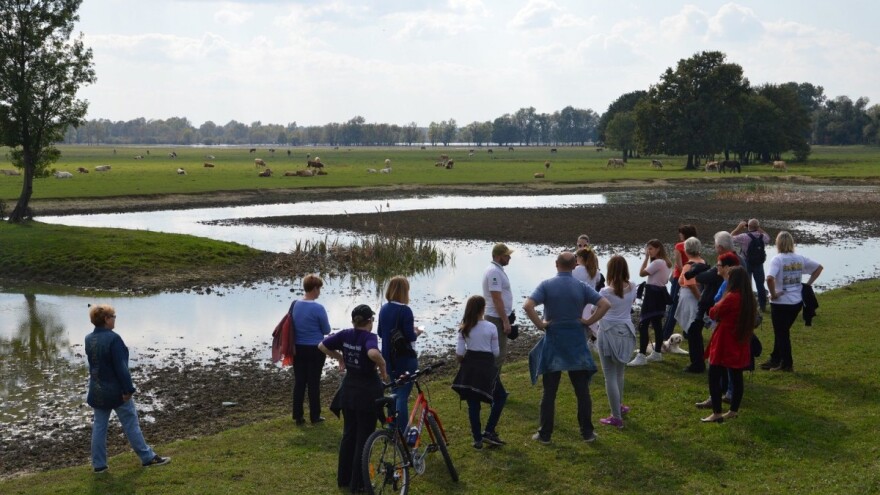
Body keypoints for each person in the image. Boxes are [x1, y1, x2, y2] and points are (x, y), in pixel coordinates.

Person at [525, 251, 611, 444]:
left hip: (554, 342)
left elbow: (528, 305)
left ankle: (545, 434)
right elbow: (605, 304)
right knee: (582, 391)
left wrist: (541, 324)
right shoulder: (581, 286)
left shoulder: (546, 285)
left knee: (549, 392)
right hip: (576, 344)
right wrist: (589, 321)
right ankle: (587, 433)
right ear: (574, 266)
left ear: (556, 264)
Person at [85, 304, 170, 473]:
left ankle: (99, 465)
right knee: (131, 423)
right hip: (116, 392)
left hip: (97, 391)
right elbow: (121, 367)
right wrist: (128, 390)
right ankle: (147, 457)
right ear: (106, 319)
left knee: (99, 427)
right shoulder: (114, 339)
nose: (115, 319)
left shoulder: (88, 339)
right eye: (113, 316)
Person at [319, 304, 388, 493]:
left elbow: (322, 345)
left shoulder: (345, 334)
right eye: (372, 320)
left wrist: (340, 358)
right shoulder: (369, 337)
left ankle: (343, 478)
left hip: (348, 391)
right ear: (369, 322)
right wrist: (383, 367)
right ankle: (358, 483)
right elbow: (373, 353)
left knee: (349, 435)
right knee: (364, 438)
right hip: (366, 393)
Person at [699, 266, 756, 423]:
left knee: (714, 374)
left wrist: (722, 298)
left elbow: (713, 312)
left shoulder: (731, 297)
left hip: (725, 339)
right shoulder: (749, 298)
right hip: (740, 339)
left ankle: (717, 412)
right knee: (736, 375)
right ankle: (733, 410)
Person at [452, 295, 507, 449]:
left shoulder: (464, 328)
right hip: (486, 367)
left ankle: (477, 440)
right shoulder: (490, 327)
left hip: (469, 368)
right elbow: (495, 352)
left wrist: (465, 362)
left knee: (473, 404)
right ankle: (489, 431)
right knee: (500, 396)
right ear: (483, 308)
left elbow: (459, 353)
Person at [763, 231, 823, 372]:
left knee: (782, 333)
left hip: (781, 303)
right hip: (796, 303)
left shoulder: (777, 260)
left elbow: (770, 278)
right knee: (782, 332)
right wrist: (807, 284)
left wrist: (773, 294)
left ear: (778, 243)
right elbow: (819, 268)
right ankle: (775, 358)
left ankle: (786, 364)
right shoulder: (799, 258)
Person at [682, 231, 737, 374]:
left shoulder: (726, 261)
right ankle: (705, 363)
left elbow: (705, 278)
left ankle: (701, 364)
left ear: (720, 247)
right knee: (697, 331)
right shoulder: (736, 259)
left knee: (696, 331)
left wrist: (696, 270)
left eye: (715, 245)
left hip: (714, 303)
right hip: (716, 301)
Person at [595, 255, 638, 428]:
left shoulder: (605, 292)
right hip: (626, 331)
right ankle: (619, 406)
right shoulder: (633, 286)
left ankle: (616, 416)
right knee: (619, 373)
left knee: (609, 375)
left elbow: (595, 309)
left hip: (608, 332)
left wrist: (587, 322)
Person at [378, 275, 423, 432]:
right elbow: (410, 336)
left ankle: (392, 426)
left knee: (394, 392)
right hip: (404, 357)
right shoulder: (405, 311)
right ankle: (403, 430)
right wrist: (417, 332)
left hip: (388, 356)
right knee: (402, 395)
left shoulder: (383, 309)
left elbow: (380, 333)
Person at [292, 274, 332, 425]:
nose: (319, 292)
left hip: (298, 348)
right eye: (319, 288)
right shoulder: (318, 308)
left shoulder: (295, 304)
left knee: (300, 382)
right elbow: (326, 330)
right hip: (316, 349)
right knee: (314, 383)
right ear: (314, 288)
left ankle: (298, 416)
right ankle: (315, 416)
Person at [629, 239, 672, 366]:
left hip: (652, 295)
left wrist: (646, 258)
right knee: (657, 323)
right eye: (648, 249)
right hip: (660, 294)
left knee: (643, 323)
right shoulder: (666, 262)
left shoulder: (658, 262)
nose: (649, 251)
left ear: (658, 249)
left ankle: (642, 355)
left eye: (651, 249)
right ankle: (657, 353)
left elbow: (641, 273)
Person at [482, 243, 514, 370]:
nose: (509, 258)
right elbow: (496, 298)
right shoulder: (494, 272)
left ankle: (493, 386)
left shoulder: (496, 270)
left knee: (497, 354)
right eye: (506, 256)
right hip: (496, 318)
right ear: (498, 256)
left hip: (497, 316)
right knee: (497, 355)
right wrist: (505, 321)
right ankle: (492, 387)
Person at [663, 224, 698, 339]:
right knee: (688, 306)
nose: (679, 235)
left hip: (679, 278)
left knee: (673, 306)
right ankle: (687, 332)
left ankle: (666, 333)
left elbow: (678, 265)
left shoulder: (679, 246)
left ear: (685, 234)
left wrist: (683, 275)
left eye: (681, 233)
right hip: (692, 277)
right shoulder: (695, 245)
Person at [731, 218, 771, 312]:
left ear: (748, 227)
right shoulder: (762, 237)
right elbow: (768, 238)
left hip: (746, 262)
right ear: (757, 227)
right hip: (759, 264)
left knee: (746, 285)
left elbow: (729, 238)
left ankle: (747, 306)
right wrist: (758, 228)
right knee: (760, 285)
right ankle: (762, 307)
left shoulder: (744, 236)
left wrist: (738, 228)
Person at [674, 237, 707, 339]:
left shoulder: (688, 266)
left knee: (691, 323)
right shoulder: (702, 262)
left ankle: (694, 344)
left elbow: (691, 285)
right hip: (697, 293)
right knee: (695, 322)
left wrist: (700, 300)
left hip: (690, 296)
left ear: (686, 250)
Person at [573, 247, 603, 344]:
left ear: (581, 258)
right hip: (591, 303)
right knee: (586, 329)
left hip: (578, 303)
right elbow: (598, 281)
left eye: (576, 256)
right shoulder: (595, 271)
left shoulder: (575, 270)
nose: (575, 258)